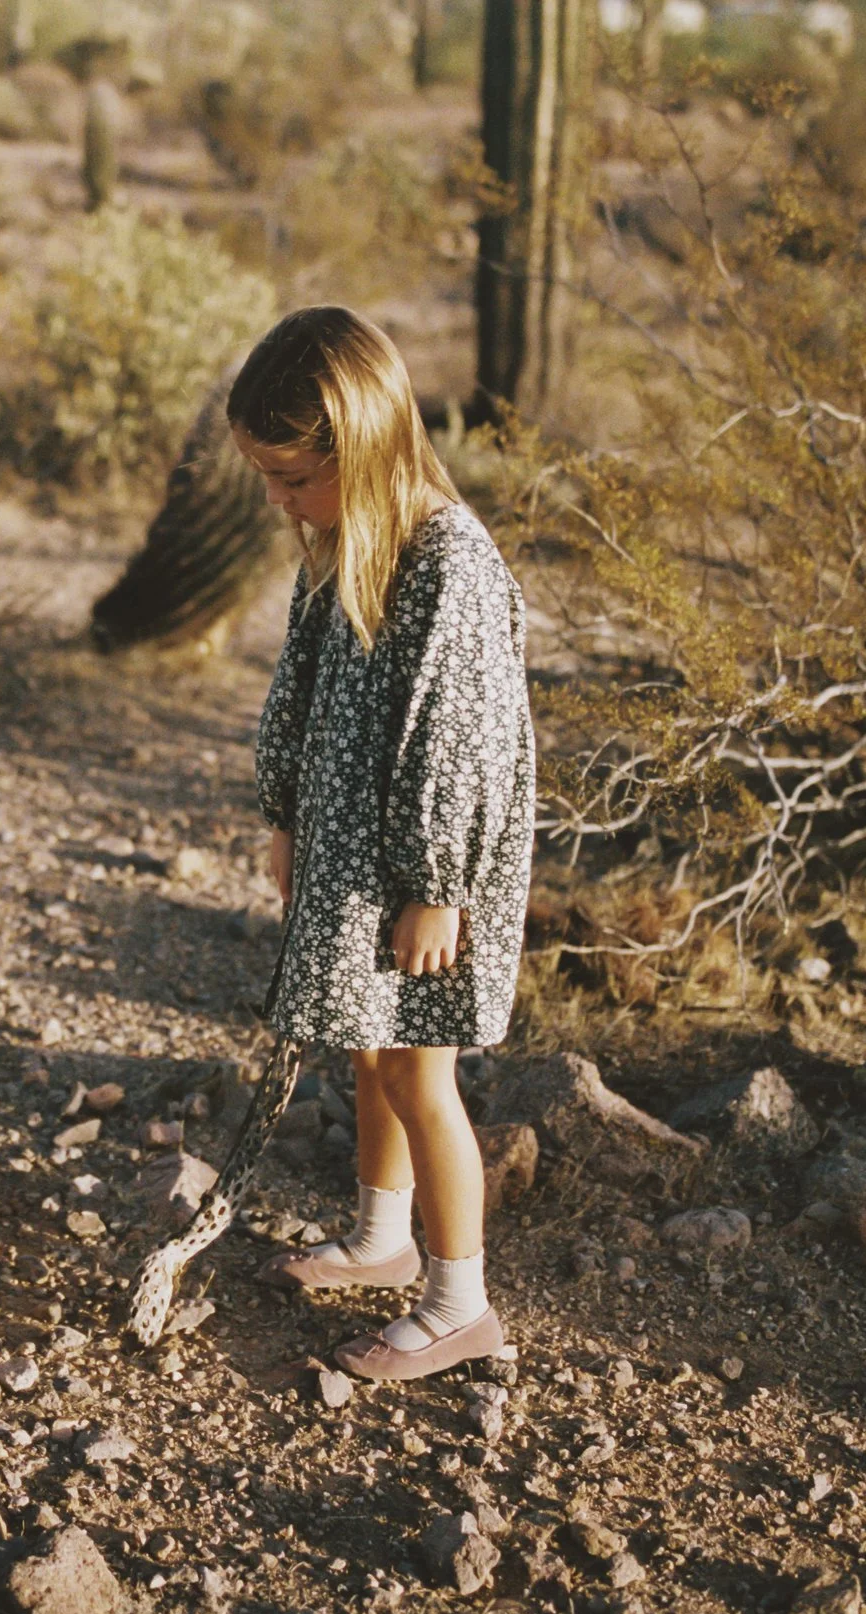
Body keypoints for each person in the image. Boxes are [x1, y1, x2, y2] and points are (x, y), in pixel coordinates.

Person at [231, 306, 536, 1381]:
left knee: (418, 1071)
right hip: (355, 857)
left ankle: (459, 1304)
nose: (279, 500)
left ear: (359, 450)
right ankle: (379, 1235)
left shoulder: (448, 561)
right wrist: (283, 814)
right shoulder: (342, 542)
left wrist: (436, 886)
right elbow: (296, 687)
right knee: (369, 1052)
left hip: (423, 874)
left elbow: (456, 742)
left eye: (295, 479)